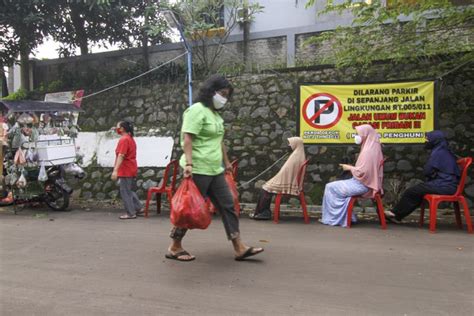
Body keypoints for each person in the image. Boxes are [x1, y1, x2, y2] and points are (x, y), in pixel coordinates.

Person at [166, 74, 264, 262]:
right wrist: (188, 164)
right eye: (222, 93)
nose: (224, 98)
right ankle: (174, 246)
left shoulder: (215, 115)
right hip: (198, 168)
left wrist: (226, 163)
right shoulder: (196, 110)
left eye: (227, 95)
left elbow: (219, 142)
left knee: (228, 205)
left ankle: (239, 247)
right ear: (211, 91)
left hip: (215, 169)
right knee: (189, 209)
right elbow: (188, 138)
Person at [385, 131, 460, 223]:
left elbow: (428, 170)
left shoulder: (439, 153)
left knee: (412, 191)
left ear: (435, 141)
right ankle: (396, 215)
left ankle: (395, 214)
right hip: (445, 185)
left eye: (428, 139)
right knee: (417, 192)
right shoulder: (443, 151)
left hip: (445, 186)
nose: (426, 141)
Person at [320, 124, 384, 227]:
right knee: (332, 186)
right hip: (365, 183)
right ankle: (345, 217)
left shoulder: (368, 151)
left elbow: (363, 172)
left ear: (365, 135)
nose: (356, 136)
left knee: (330, 187)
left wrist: (349, 168)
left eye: (358, 134)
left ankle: (337, 219)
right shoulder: (373, 147)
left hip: (362, 185)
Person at [250, 137, 306, 220]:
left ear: (296, 144)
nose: (288, 146)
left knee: (265, 189)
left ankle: (264, 213)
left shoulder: (295, 156)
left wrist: (274, 181)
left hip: (286, 183)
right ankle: (263, 212)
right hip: (288, 181)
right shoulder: (298, 154)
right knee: (265, 188)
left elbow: (285, 173)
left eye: (290, 144)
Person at [111, 121, 143, 219]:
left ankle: (130, 212)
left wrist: (115, 170)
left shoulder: (124, 140)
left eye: (117, 127)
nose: (116, 128)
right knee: (129, 190)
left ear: (122, 129)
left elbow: (121, 155)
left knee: (125, 191)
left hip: (125, 169)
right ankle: (138, 207)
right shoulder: (130, 138)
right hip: (131, 167)